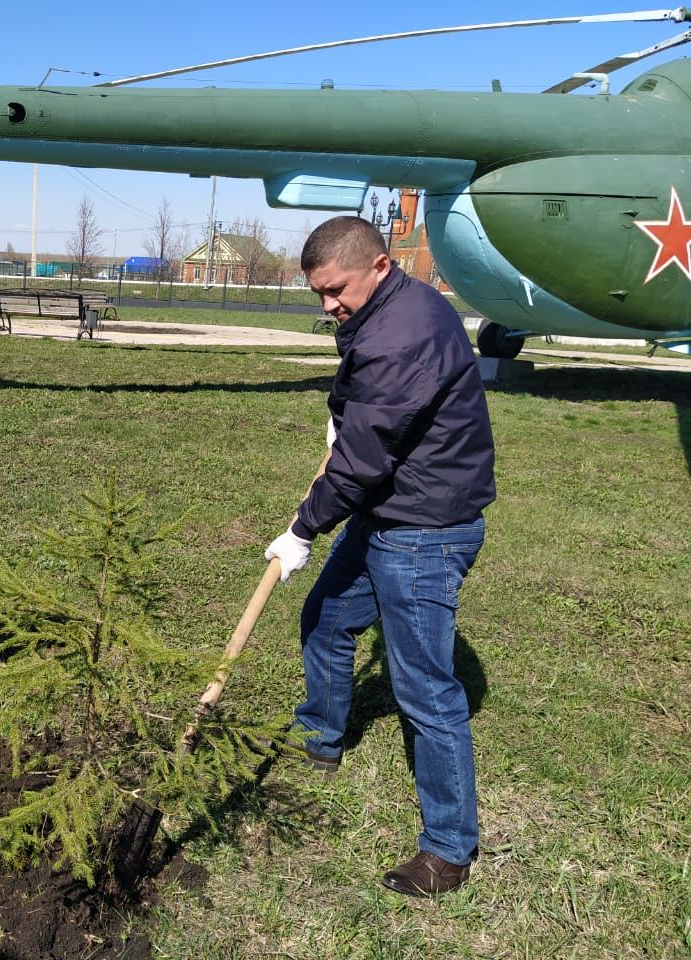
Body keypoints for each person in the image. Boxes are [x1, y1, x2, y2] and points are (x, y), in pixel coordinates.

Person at [264, 216, 495, 897]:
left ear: (379, 267)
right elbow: (364, 410)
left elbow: (363, 459)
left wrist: (304, 529)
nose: (328, 305)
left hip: (425, 528)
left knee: (425, 690)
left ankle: (448, 851)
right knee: (329, 620)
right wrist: (343, 410)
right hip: (392, 509)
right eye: (318, 294)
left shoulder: (403, 333)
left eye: (335, 290)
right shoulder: (390, 309)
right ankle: (322, 736)